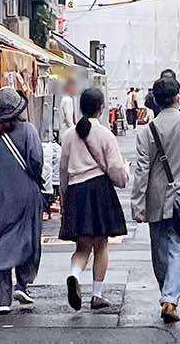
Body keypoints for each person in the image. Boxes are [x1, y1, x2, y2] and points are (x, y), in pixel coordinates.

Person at [131, 74, 180, 324]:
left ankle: (167, 294)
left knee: (159, 252)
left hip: (155, 198)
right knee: (178, 247)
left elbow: (141, 170)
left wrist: (137, 205)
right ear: (178, 97)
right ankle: (170, 298)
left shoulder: (147, 131)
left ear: (154, 100)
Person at [0, 89, 44, 314]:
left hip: (1, 197)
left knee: (0, 240)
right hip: (27, 194)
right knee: (28, 237)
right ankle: (23, 284)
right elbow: (36, 161)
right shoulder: (28, 131)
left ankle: (2, 299)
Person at [59, 87, 129, 311]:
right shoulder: (105, 135)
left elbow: (63, 168)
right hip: (99, 191)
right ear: (101, 108)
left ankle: (74, 275)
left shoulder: (69, 135)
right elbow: (116, 168)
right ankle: (97, 295)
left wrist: (63, 196)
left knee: (82, 246)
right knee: (101, 244)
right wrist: (124, 176)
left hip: (76, 191)